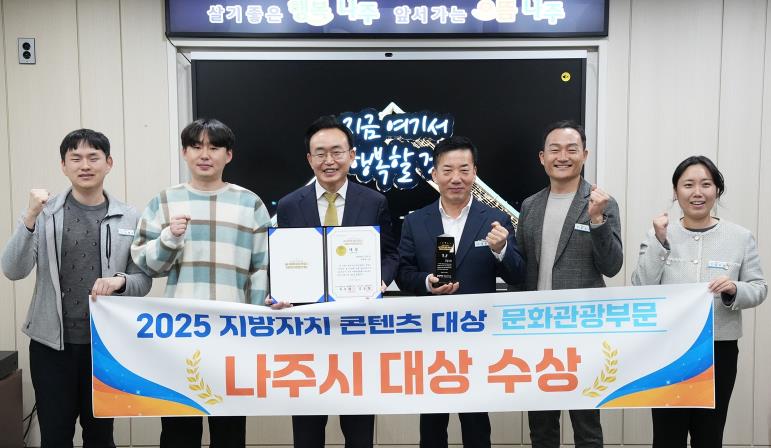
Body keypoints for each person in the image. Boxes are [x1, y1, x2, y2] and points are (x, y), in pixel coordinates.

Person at [0, 129, 152, 447]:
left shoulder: (129, 216)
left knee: (100, 436)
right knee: (55, 436)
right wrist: (29, 216)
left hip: (106, 346)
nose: (85, 165)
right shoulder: (44, 213)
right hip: (50, 347)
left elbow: (143, 280)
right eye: (76, 158)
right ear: (63, 166)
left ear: (109, 163)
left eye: (93, 157)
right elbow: (13, 270)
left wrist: (120, 282)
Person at [131, 118, 271, 448]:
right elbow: (146, 265)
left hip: (233, 336)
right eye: (196, 147)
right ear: (184, 152)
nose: (204, 154)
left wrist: (254, 324)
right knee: (179, 433)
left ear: (228, 155)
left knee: (230, 432)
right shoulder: (164, 201)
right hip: (179, 336)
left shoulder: (250, 203)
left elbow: (263, 268)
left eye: (214, 147)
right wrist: (169, 237)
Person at [272, 115, 399, 448]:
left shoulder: (374, 202)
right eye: (320, 153)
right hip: (306, 332)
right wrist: (280, 291)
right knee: (307, 431)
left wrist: (381, 281)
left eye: (337, 152)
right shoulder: (289, 206)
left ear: (351, 155)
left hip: (357, 330)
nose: (329, 160)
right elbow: (282, 259)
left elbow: (390, 254)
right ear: (309, 159)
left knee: (359, 431)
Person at [396, 135, 525, 448]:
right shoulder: (415, 221)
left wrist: (501, 249)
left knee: (476, 424)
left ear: (474, 173)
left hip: (477, 336)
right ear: (434, 174)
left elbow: (518, 274)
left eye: (464, 170)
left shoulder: (495, 220)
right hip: (431, 336)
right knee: (431, 426)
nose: (456, 178)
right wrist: (427, 283)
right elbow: (403, 272)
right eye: (448, 170)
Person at [631, 155, 767, 447]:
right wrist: (659, 242)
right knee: (667, 437)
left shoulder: (740, 237)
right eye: (688, 184)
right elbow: (641, 286)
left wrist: (734, 290)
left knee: (709, 435)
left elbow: (759, 288)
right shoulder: (658, 233)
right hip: (669, 349)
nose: (697, 192)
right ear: (675, 191)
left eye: (706, 184)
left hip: (719, 350)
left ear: (717, 190)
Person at [516, 120, 622, 448]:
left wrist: (597, 219)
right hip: (537, 330)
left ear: (584, 155)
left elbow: (612, 266)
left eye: (571, 149)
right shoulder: (530, 206)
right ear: (542, 157)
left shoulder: (602, 202)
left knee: (586, 426)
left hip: (582, 330)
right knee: (541, 426)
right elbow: (522, 268)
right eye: (555, 150)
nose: (563, 156)